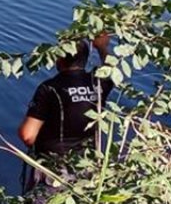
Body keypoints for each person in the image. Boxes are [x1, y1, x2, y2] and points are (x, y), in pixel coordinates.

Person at [17, 32, 114, 194]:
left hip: (54, 170)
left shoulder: (49, 88)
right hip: (88, 165)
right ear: (85, 58)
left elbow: (28, 135)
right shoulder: (98, 82)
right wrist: (102, 47)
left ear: (59, 58)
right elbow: (111, 69)